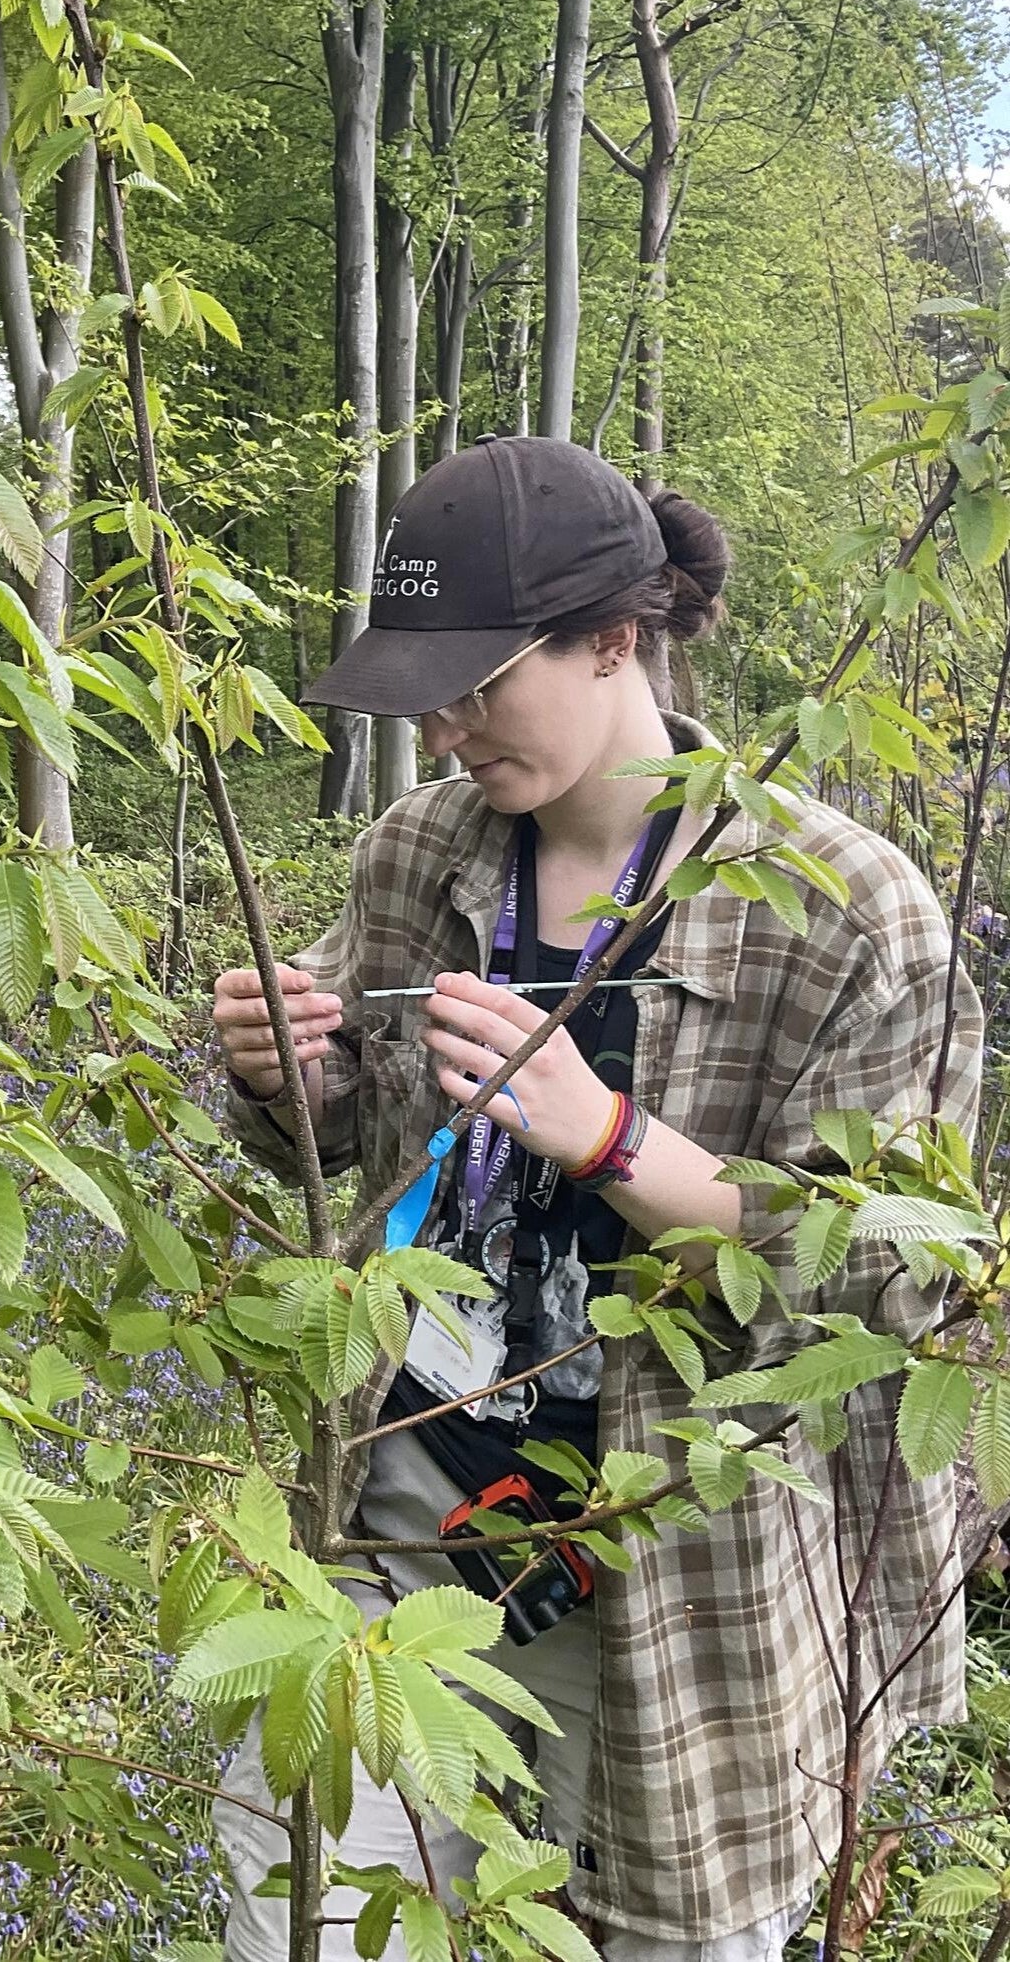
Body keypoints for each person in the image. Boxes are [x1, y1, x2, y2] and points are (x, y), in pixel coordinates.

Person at [210, 435, 981, 1962]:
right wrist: (280, 1079)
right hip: (406, 1521)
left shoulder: (846, 909)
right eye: (421, 692)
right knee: (291, 1910)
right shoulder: (419, 851)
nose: (442, 730)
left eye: (479, 686)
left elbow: (896, 1291)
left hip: (682, 1571)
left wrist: (616, 1140)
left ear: (618, 638)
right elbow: (369, 1151)